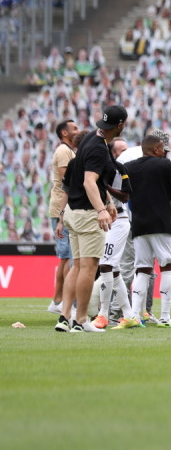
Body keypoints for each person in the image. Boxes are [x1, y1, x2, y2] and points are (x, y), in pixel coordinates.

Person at [56, 104, 128, 333]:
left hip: (73, 210)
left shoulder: (91, 138)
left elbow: (92, 180)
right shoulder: (99, 147)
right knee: (88, 268)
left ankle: (65, 317)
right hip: (87, 214)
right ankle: (81, 320)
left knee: (77, 267)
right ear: (120, 125)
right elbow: (89, 181)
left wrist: (107, 201)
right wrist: (101, 210)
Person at [127, 131, 171, 328]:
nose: (164, 152)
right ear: (155, 149)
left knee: (142, 269)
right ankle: (165, 316)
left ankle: (135, 315)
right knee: (167, 266)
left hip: (138, 224)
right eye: (162, 148)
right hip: (161, 223)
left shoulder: (129, 167)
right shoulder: (165, 165)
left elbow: (123, 194)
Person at [93, 137, 141, 329]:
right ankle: (129, 315)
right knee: (113, 269)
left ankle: (103, 315)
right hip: (104, 221)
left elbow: (126, 195)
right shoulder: (95, 170)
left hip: (119, 220)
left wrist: (106, 187)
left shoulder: (119, 170)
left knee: (105, 265)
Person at [47, 118, 78, 315]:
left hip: (63, 207)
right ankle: (67, 303)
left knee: (66, 258)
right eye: (74, 128)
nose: (78, 130)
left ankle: (58, 300)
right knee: (68, 258)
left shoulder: (68, 151)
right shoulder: (64, 151)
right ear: (64, 133)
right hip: (62, 208)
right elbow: (68, 179)